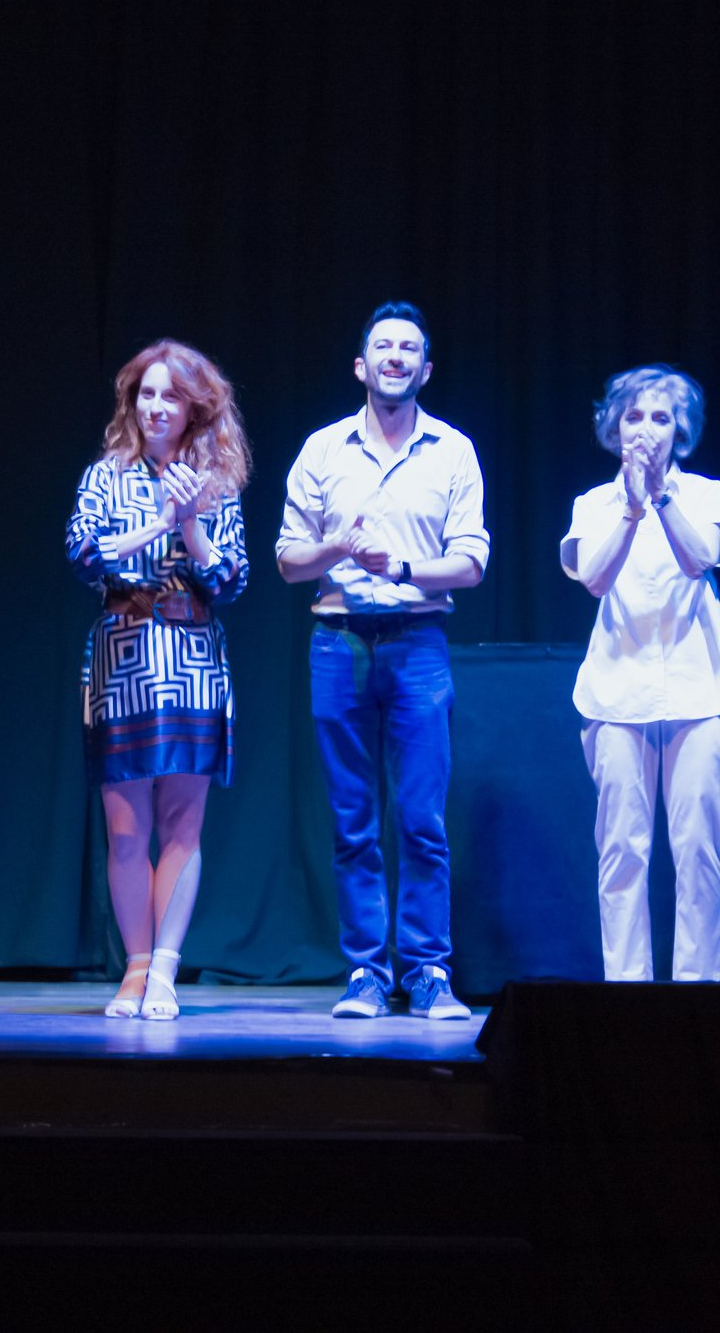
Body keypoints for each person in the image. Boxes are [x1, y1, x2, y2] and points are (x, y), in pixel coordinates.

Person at [276, 302, 489, 1020]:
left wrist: (397, 565)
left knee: (422, 818)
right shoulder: (322, 450)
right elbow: (286, 561)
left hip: (418, 642)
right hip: (337, 643)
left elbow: (470, 563)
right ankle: (366, 974)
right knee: (351, 819)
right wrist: (338, 547)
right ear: (361, 366)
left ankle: (428, 972)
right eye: (382, 348)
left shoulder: (453, 451)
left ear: (425, 370)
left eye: (409, 350)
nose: (395, 358)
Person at [64, 340, 251, 1020]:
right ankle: (134, 968)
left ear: (195, 406)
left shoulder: (216, 482)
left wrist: (193, 524)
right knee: (124, 831)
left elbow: (231, 578)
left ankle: (166, 971)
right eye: (147, 393)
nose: (157, 406)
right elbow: (84, 556)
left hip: (193, 658)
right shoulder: (105, 477)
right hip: (124, 656)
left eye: (171, 395)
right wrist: (158, 524)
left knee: (182, 826)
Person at [560, 365, 720, 982]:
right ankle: (627, 995)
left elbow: (700, 562)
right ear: (614, 428)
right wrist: (633, 508)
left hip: (702, 692)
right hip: (616, 693)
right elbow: (593, 578)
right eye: (634, 416)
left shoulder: (709, 495)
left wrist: (661, 495)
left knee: (698, 851)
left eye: (661, 417)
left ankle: (697, 993)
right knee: (622, 853)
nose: (646, 429)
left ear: (680, 430)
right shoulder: (593, 505)